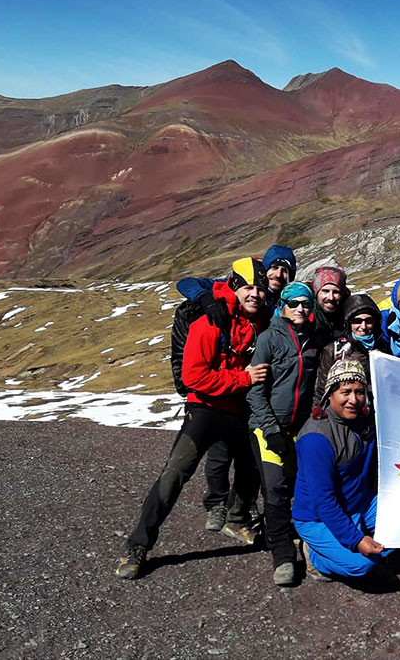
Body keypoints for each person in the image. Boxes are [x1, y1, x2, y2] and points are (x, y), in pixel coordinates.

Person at [115, 258, 270, 579]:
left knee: (252, 464)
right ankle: (138, 546)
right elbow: (194, 377)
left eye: (260, 288)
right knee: (174, 474)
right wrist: (243, 378)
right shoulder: (210, 321)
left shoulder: (261, 322)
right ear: (234, 286)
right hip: (206, 409)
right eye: (247, 287)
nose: (254, 294)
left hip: (238, 411)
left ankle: (236, 518)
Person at [173, 245, 294, 527]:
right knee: (220, 451)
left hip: (254, 385)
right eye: (274, 267)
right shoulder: (242, 288)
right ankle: (216, 503)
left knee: (247, 455)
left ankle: (241, 508)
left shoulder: (285, 301)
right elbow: (186, 283)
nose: (278, 273)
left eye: (285, 269)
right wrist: (206, 298)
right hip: (227, 382)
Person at [293, 359, 400, 585]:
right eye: (345, 392)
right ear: (329, 394)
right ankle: (314, 556)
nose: (353, 400)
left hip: (360, 502)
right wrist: (357, 540)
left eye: (359, 392)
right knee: (364, 564)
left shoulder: (365, 420)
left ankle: (355, 534)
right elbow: (324, 500)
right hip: (318, 517)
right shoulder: (316, 438)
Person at [246, 281, 321, 586]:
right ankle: (283, 556)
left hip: (301, 429)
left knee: (302, 489)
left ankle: (312, 545)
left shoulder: (315, 338)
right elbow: (254, 390)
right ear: (283, 306)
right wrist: (270, 427)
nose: (301, 308)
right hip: (268, 428)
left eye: (306, 303)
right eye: (295, 303)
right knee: (275, 490)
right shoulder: (269, 338)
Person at [312, 294, 390, 412]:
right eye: (357, 321)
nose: (363, 327)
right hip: (344, 412)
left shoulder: (383, 348)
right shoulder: (334, 350)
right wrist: (318, 412)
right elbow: (321, 389)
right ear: (349, 323)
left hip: (378, 413)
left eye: (368, 321)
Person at [311, 266, 349, 345]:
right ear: (316, 292)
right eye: (325, 291)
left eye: (336, 292)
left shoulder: (349, 315)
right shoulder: (305, 317)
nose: (330, 297)